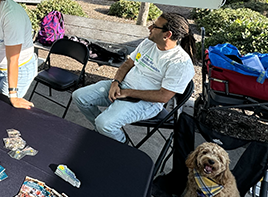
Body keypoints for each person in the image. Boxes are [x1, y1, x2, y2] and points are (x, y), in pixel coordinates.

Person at [72, 13, 195, 143]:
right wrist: (116, 82)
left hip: (146, 102)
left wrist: (128, 93)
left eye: (155, 26)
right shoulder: (148, 43)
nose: (149, 27)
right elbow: (128, 64)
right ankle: (105, 134)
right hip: (122, 88)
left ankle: (122, 145)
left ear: (167, 34)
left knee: (105, 123)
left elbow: (163, 96)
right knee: (79, 97)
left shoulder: (180, 63)